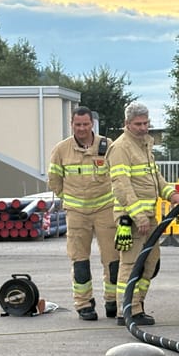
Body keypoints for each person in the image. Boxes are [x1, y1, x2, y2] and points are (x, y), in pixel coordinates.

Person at [109, 101, 179, 326]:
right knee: (130, 264)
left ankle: (137, 305)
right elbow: (122, 186)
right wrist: (139, 216)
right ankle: (125, 310)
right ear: (127, 124)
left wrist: (173, 195)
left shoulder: (144, 145)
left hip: (149, 217)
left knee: (150, 262)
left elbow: (155, 179)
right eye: (138, 124)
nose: (143, 128)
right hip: (132, 218)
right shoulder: (121, 148)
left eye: (146, 123)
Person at [47, 106, 118, 320]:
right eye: (77, 124)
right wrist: (68, 199)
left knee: (112, 259)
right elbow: (54, 180)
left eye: (85, 124)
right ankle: (84, 304)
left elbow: (118, 175)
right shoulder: (61, 150)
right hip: (77, 213)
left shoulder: (107, 146)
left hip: (106, 210)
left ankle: (113, 300)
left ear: (92, 124)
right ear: (72, 124)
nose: (81, 128)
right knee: (80, 261)